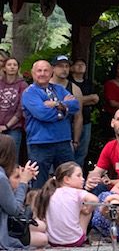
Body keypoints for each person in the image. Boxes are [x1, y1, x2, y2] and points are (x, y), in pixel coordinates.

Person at [22, 59, 81, 189]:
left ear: (51, 73)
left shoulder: (59, 89)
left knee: (70, 181)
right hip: (40, 144)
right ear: (33, 73)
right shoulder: (29, 93)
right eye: (39, 70)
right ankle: (37, 209)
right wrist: (64, 110)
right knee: (39, 185)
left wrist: (55, 104)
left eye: (46, 70)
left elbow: (76, 105)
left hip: (63, 142)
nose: (42, 73)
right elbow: (42, 114)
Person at [34, 161, 98, 247]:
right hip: (75, 241)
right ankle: (83, 236)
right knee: (86, 211)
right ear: (66, 179)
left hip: (52, 241)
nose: (82, 179)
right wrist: (87, 210)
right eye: (78, 176)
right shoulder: (76, 192)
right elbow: (94, 200)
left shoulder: (49, 193)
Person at [0, 135, 39, 249]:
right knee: (41, 235)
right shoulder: (1, 177)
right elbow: (15, 210)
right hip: (5, 232)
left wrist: (26, 179)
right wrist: (23, 182)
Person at [50, 55, 84, 162]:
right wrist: (65, 104)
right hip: (47, 135)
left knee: (66, 170)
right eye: (60, 66)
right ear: (53, 68)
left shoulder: (75, 89)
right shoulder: (44, 86)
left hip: (66, 136)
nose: (64, 69)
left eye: (67, 66)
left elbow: (78, 117)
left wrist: (76, 141)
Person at [69, 58, 99, 169]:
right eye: (78, 64)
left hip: (86, 121)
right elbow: (70, 102)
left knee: (82, 151)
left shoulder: (88, 83)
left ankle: (78, 174)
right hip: (69, 121)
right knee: (68, 150)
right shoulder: (69, 83)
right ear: (72, 68)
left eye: (83, 64)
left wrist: (78, 100)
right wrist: (87, 99)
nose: (81, 66)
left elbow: (95, 99)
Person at [0, 57, 28, 158]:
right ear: (4, 68)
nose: (12, 67)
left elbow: (21, 109)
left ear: (18, 68)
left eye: (15, 65)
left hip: (14, 128)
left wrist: (7, 126)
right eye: (9, 65)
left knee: (12, 157)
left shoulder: (23, 85)